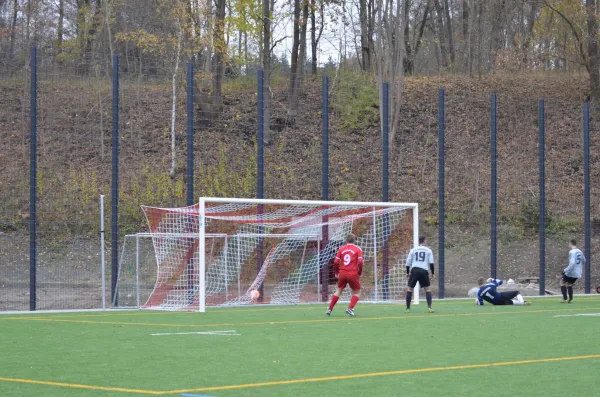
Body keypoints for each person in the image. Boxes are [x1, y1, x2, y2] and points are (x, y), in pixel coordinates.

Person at [326, 233, 363, 317]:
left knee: (338, 291)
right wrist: (359, 272)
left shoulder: (341, 249)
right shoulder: (357, 249)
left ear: (346, 240)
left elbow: (335, 262)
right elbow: (360, 262)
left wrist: (336, 272)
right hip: (353, 273)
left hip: (342, 273)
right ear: (354, 240)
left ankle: (329, 309)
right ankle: (350, 308)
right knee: (357, 292)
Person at [405, 236, 435, 313]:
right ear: (424, 241)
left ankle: (408, 308)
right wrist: (433, 273)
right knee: (427, 289)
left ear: (418, 242)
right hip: (424, 270)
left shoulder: (413, 250)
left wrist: (407, 272)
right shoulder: (428, 250)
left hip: (414, 270)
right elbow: (431, 263)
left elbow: (408, 262)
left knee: (409, 289)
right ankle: (429, 307)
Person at [560, 239, 585, 303]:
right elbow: (584, 261)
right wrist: (579, 267)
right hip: (578, 272)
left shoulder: (571, 252)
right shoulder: (580, 251)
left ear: (570, 244)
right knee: (569, 284)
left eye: (569, 244)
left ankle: (565, 298)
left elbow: (572, 263)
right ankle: (570, 299)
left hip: (571, 271)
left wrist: (565, 270)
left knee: (562, 282)